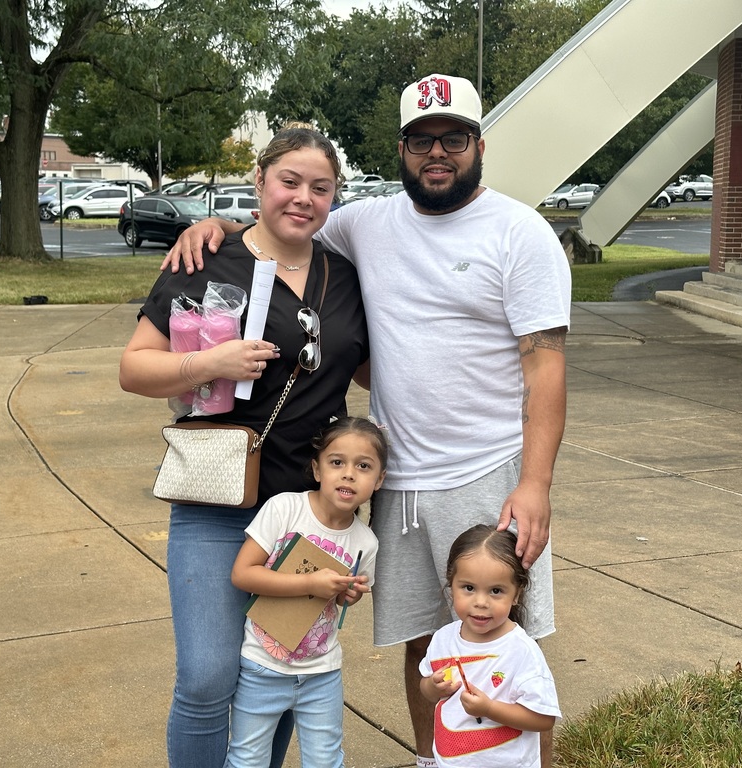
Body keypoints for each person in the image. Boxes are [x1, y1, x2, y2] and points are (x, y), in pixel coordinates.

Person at [163, 73, 571, 768]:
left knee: (504, 636)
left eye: (453, 138)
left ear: (478, 144)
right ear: (403, 148)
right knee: (425, 640)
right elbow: (288, 221)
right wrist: (219, 226)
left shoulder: (519, 232)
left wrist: (534, 485)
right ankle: (432, 759)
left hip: (487, 470)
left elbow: (547, 368)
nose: (436, 153)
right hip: (400, 480)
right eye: (420, 140)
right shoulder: (367, 223)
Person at [119, 123, 369, 768]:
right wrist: (209, 363)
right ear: (258, 183)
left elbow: (362, 366)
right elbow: (134, 369)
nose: (302, 198)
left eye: (320, 188)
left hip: (302, 515)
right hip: (216, 503)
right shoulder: (206, 261)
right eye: (289, 181)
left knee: (281, 674)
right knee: (206, 678)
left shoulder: (344, 277)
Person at [226, 416, 385, 767]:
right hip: (262, 666)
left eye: (363, 466)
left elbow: (344, 601)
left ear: (379, 480)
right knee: (247, 758)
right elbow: (243, 573)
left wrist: (349, 595)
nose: (348, 474)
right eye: (337, 462)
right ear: (316, 469)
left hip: (322, 672)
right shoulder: (285, 508)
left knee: (325, 760)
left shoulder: (366, 543)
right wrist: (310, 583)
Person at [419, 525, 560, 768]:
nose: (481, 602)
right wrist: (433, 686)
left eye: (496, 591)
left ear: (516, 594)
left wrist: (489, 708)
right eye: (469, 588)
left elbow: (543, 719)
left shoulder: (521, 650)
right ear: (451, 585)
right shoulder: (444, 639)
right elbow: (427, 690)